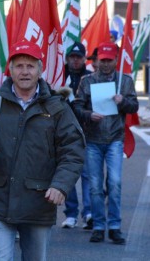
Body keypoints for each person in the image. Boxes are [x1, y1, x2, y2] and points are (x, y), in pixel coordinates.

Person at [0, 41, 85, 260]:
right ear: (10, 69)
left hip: (38, 203)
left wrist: (61, 186)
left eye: (30, 66)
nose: (25, 72)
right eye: (19, 66)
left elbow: (73, 150)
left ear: (40, 70)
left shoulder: (57, 107)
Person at [73, 41, 139, 245]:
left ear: (116, 60)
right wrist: (88, 114)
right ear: (97, 61)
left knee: (115, 183)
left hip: (114, 140)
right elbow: (76, 106)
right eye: (103, 60)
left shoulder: (125, 81)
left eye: (110, 60)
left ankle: (115, 227)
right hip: (92, 140)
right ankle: (99, 226)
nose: (106, 64)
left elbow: (134, 106)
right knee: (94, 186)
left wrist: (123, 102)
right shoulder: (87, 81)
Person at [61, 42, 93, 229]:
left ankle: (88, 212)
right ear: (67, 58)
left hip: (87, 131)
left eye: (78, 57)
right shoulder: (59, 74)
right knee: (68, 174)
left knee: (87, 174)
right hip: (64, 132)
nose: (75, 60)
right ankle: (71, 213)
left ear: (84, 58)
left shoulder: (90, 77)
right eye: (72, 57)